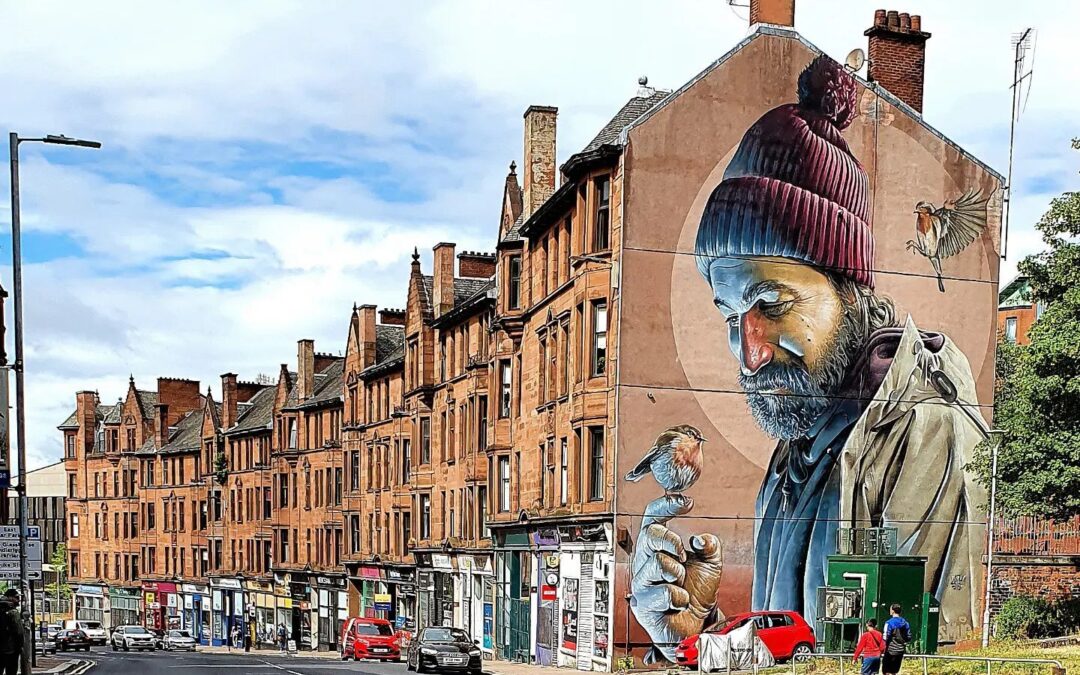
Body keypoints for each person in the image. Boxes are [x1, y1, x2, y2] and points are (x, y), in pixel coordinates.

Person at [0, 589, 24, 675]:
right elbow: (19, 632)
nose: (18, 600)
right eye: (16, 597)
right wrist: (20, 646)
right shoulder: (12, 612)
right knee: (11, 671)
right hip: (10, 649)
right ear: (10, 598)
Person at [882, 604, 911, 675]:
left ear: (892, 611)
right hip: (900, 650)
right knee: (894, 671)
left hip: (890, 650)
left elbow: (885, 637)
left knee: (886, 671)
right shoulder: (905, 623)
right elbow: (909, 636)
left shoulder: (889, 623)